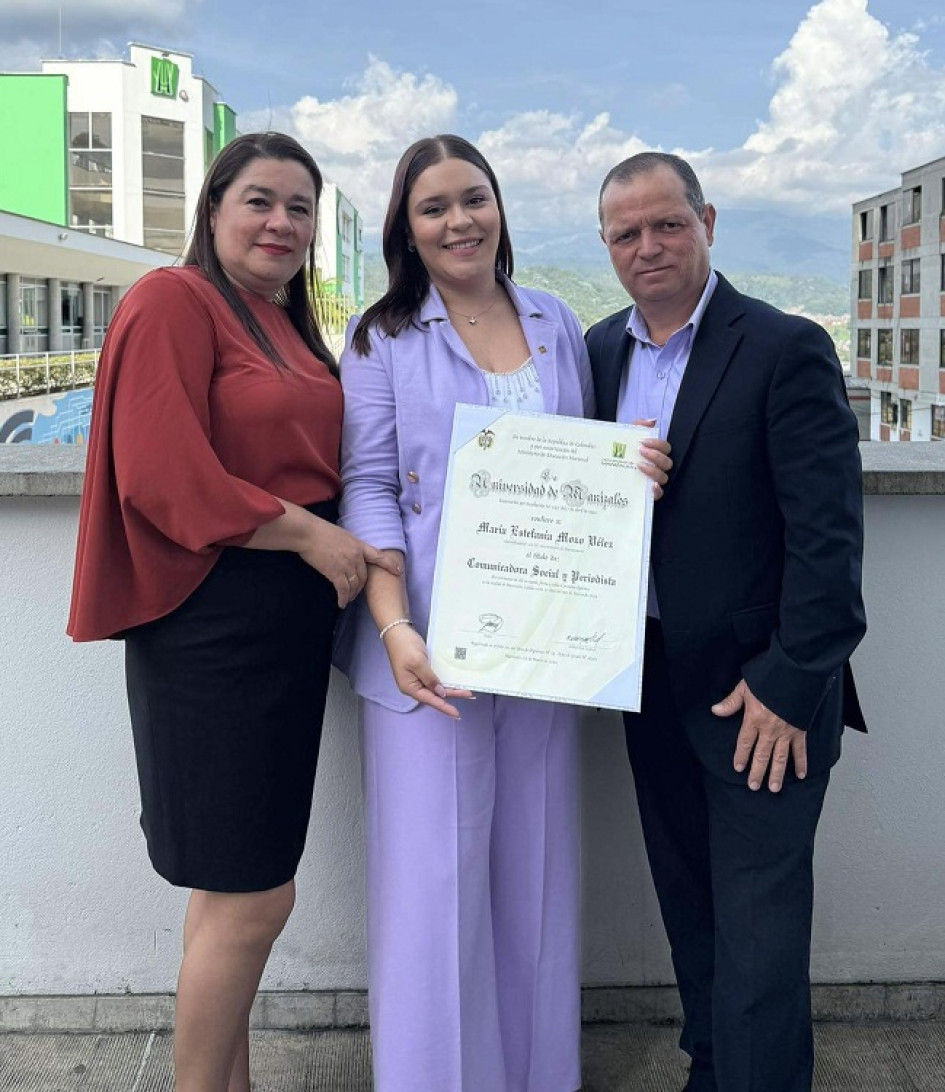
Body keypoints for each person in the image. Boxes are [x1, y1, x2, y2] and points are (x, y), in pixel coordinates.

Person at [334, 133, 670, 1092]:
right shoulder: (379, 337)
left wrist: (626, 459)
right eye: (433, 206)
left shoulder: (556, 318)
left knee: (535, 877)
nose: (458, 220)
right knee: (434, 893)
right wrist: (397, 629)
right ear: (406, 225)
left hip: (546, 649)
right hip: (424, 656)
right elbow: (366, 489)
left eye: (472, 198)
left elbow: (577, 462)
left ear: (499, 207)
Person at [67, 132, 397, 1092]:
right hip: (214, 623)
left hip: (280, 632)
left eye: (299, 207)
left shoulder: (285, 325)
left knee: (232, 893)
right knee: (253, 896)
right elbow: (164, 476)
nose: (282, 223)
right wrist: (309, 535)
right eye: (260, 200)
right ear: (212, 210)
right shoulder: (170, 301)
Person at [586, 151, 867, 1092]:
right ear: (605, 246)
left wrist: (788, 685)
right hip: (648, 678)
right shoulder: (596, 353)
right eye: (626, 233)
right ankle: (712, 1071)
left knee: (759, 931)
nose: (648, 246)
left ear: (708, 221)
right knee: (692, 909)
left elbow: (828, 546)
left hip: (761, 691)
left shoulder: (784, 344)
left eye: (667, 224)